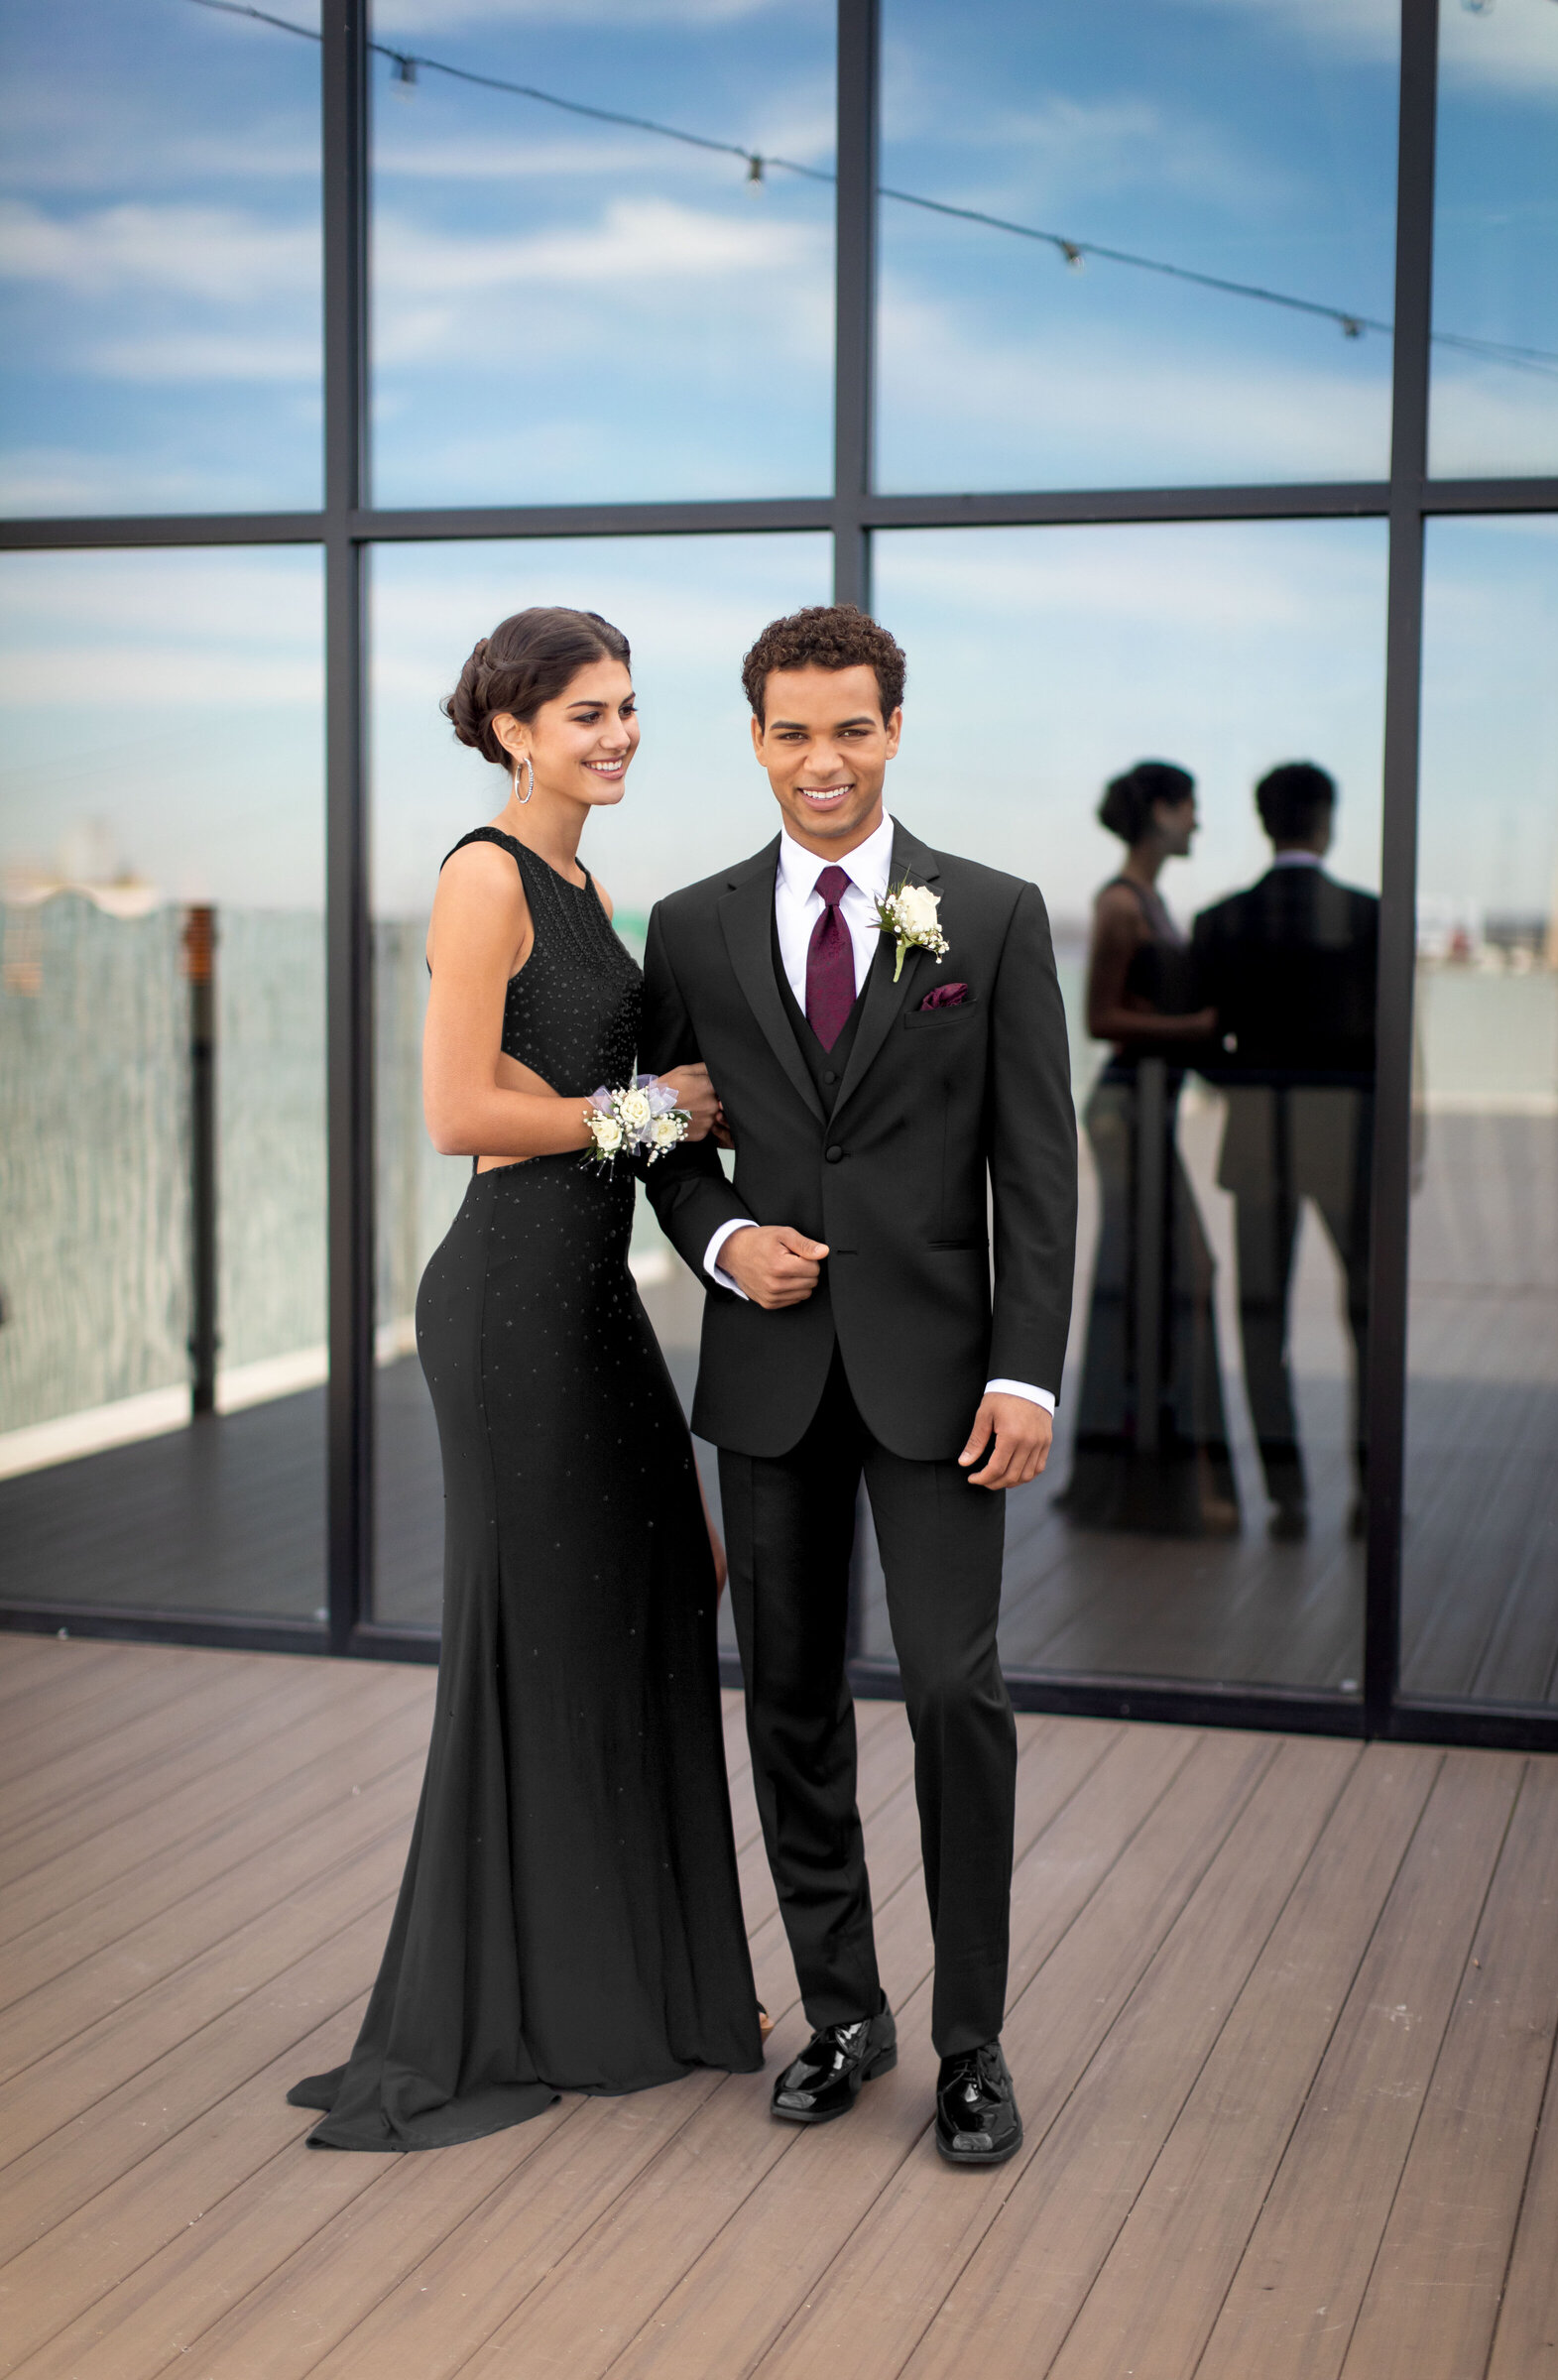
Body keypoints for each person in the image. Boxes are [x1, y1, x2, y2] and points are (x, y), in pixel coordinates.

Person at [290, 607, 764, 2150]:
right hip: (506, 1308)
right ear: (510, 729)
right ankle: (552, 1995)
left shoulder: (584, 880)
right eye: (584, 716)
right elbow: (455, 1112)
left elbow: (615, 1088)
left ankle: (649, 1965)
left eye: (628, 709)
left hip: (592, 1301)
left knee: (663, 1589)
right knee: (548, 1630)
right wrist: (648, 1116)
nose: (617, 735)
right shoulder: (484, 875)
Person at [642, 604, 1077, 2168]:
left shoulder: (997, 915)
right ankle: (844, 2010)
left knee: (958, 1693)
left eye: (851, 728)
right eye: (792, 730)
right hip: (768, 1377)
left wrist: (1028, 1372)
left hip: (948, 1384)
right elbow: (675, 1142)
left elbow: (1039, 1172)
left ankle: (973, 2043)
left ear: (895, 731)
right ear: (756, 738)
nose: (822, 760)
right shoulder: (688, 925)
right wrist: (726, 1236)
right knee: (795, 1704)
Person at [1192, 761, 1378, 1539]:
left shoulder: (1220, 920)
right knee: (1370, 1316)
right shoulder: (1370, 916)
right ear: (1326, 820)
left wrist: (1250, 1084)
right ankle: (1374, 1489)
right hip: (1346, 1138)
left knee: (1260, 1319)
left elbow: (1205, 1043)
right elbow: (1388, 1043)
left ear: (1267, 823)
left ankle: (1287, 1493)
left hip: (1260, 1138)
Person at [1060, 761, 1238, 1537]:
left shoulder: (1151, 901)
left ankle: (1143, 1471)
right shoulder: (1120, 905)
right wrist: (1198, 1029)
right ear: (1162, 812)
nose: (1198, 822)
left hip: (1150, 1108)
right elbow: (1100, 1019)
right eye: (1190, 808)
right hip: (1126, 1108)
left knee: (1164, 1273)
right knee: (1162, 1272)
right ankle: (1125, 1474)